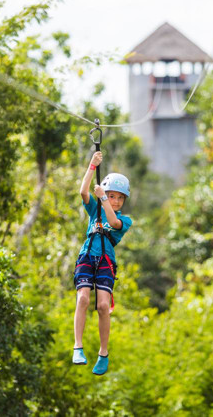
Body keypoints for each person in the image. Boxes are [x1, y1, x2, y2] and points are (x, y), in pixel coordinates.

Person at [72, 150, 132, 376]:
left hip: (106, 261)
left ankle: (103, 353)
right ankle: (78, 346)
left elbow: (114, 222)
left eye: (120, 198)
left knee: (103, 306)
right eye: (112, 196)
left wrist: (104, 198)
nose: (115, 201)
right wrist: (92, 166)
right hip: (87, 256)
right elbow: (83, 191)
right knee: (83, 298)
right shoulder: (94, 210)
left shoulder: (125, 220)